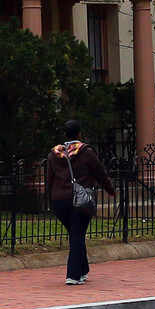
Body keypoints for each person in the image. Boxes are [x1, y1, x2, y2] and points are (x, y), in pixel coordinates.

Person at [47, 119, 110, 285]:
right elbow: (100, 173)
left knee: (75, 234)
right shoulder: (86, 152)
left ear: (65, 135)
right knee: (77, 234)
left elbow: (49, 180)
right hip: (80, 200)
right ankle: (73, 275)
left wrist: (49, 201)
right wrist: (110, 190)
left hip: (59, 200)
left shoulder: (53, 154)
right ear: (79, 134)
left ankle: (83, 270)